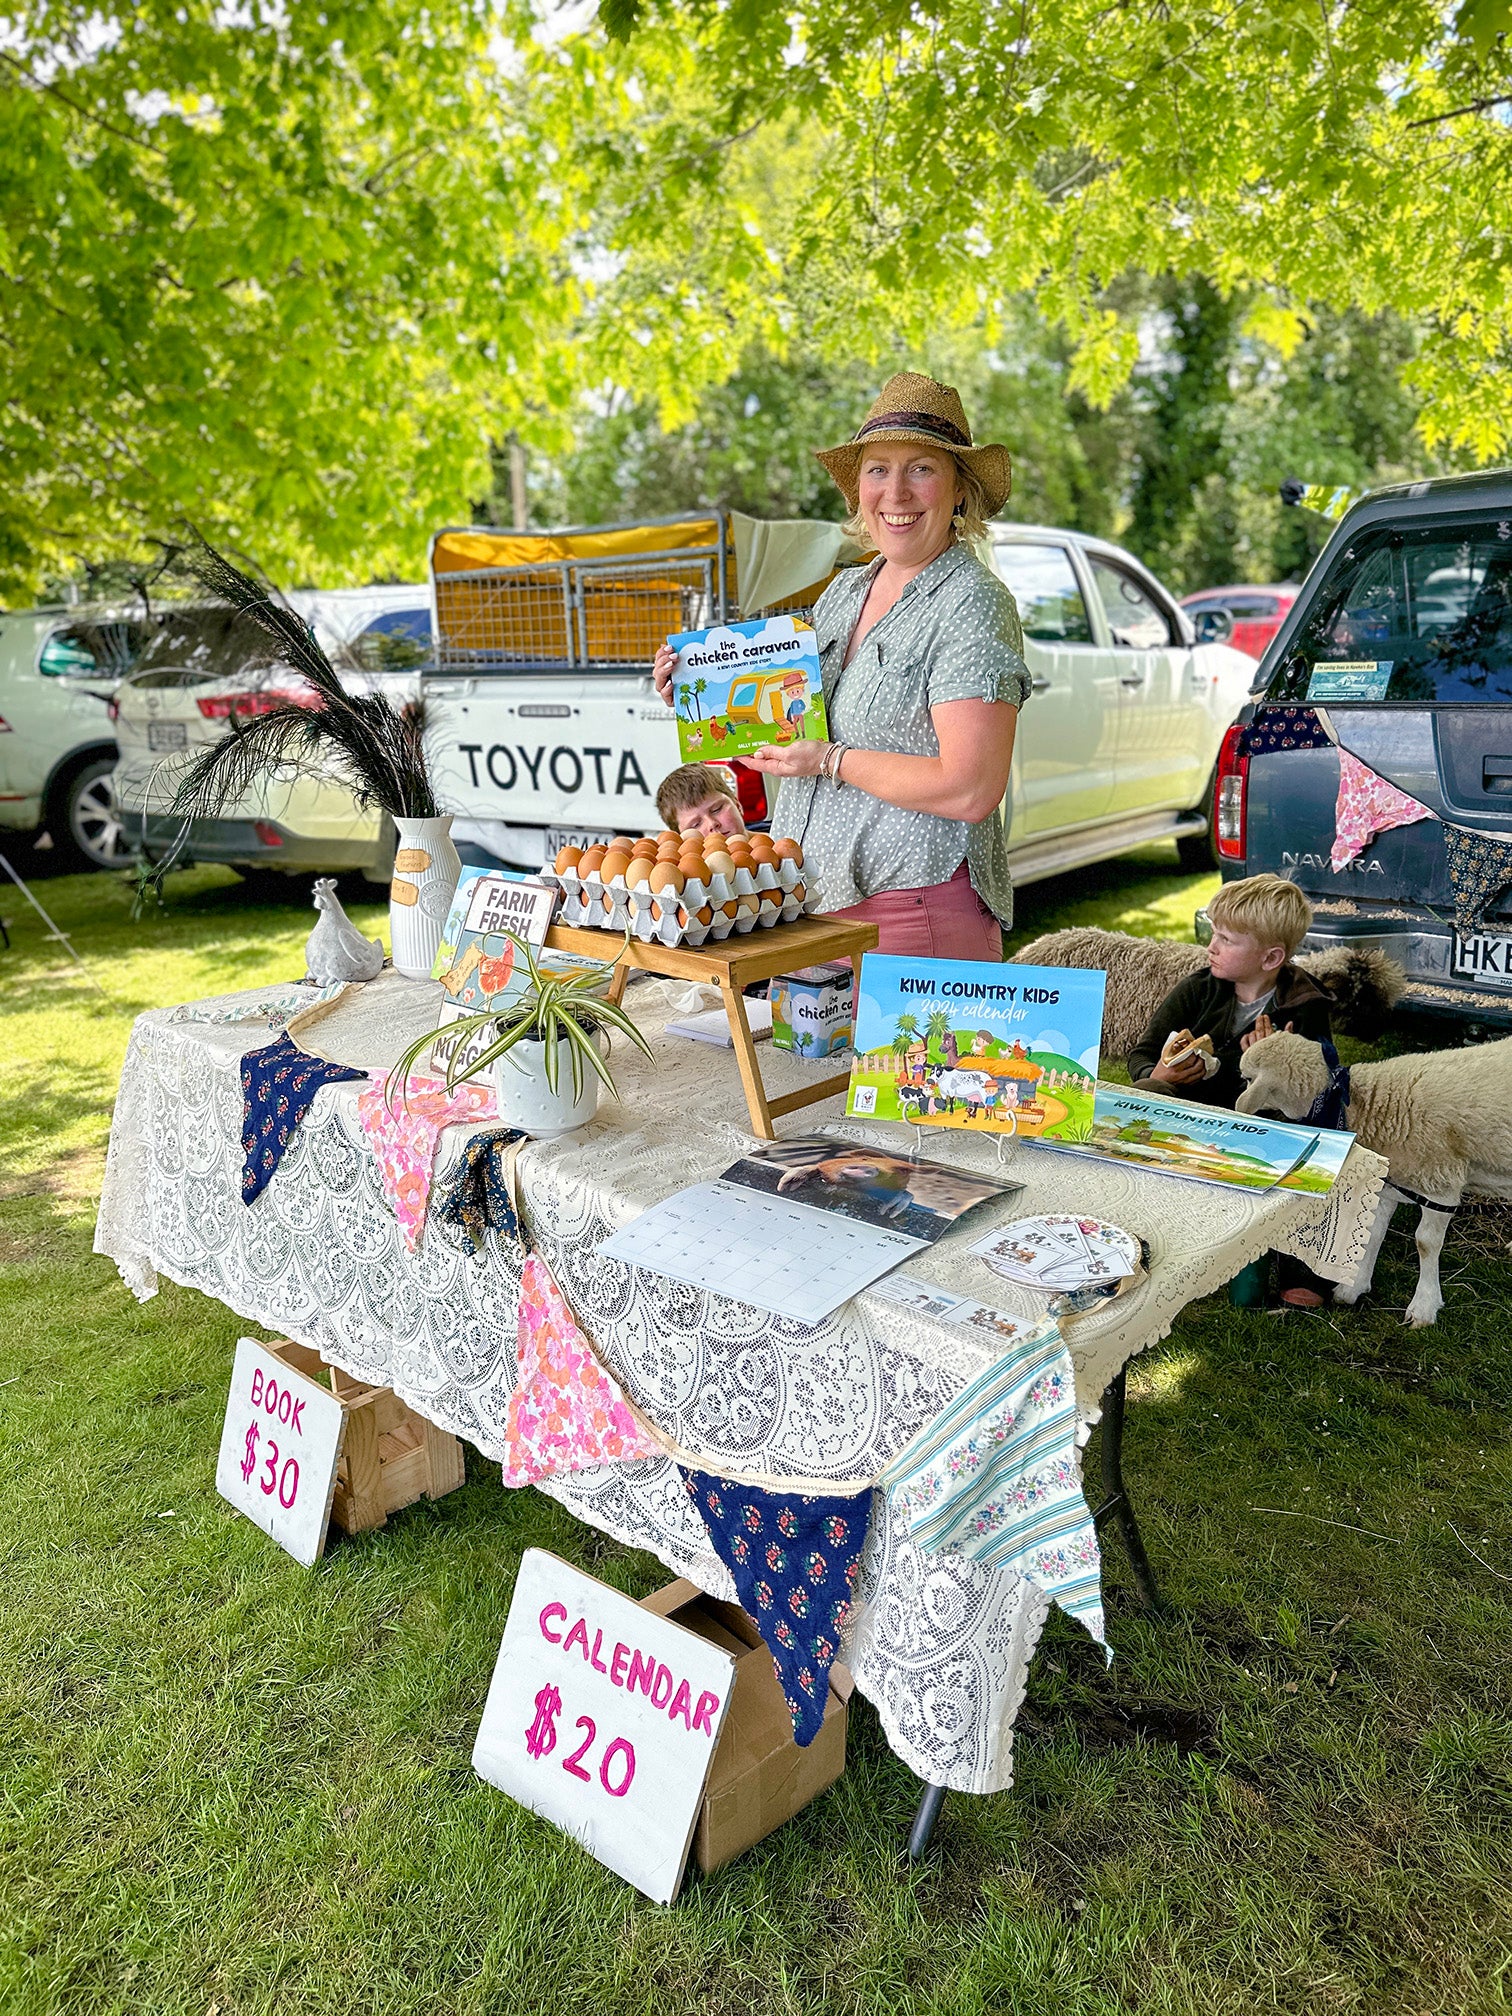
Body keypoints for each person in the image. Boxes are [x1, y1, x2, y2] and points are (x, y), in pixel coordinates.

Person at [653, 372, 1030, 960]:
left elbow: (971, 788)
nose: (896, 492)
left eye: (922, 468)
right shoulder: (846, 590)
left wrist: (830, 761)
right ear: (859, 487)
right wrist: (698, 691)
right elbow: (784, 719)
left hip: (912, 916)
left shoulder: (971, 601)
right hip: (808, 904)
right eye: (878, 468)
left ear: (960, 490)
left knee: (913, 1060)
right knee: (799, 1060)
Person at [1126, 874, 1335, 1308]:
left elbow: (1318, 1084)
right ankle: (1138, 1224)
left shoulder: (1304, 1004)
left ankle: (1302, 1262)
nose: (1212, 947)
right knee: (1146, 1092)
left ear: (1271, 956)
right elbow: (1142, 1054)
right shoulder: (1198, 989)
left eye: (1226, 939)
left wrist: (1268, 1067)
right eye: (1213, 933)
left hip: (1263, 1129)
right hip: (1194, 1117)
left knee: (1317, 1142)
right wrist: (1162, 1072)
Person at [654, 761, 747, 839]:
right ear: (682, 838)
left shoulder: (761, 841)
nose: (712, 824)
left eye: (717, 810)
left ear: (737, 805)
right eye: (695, 825)